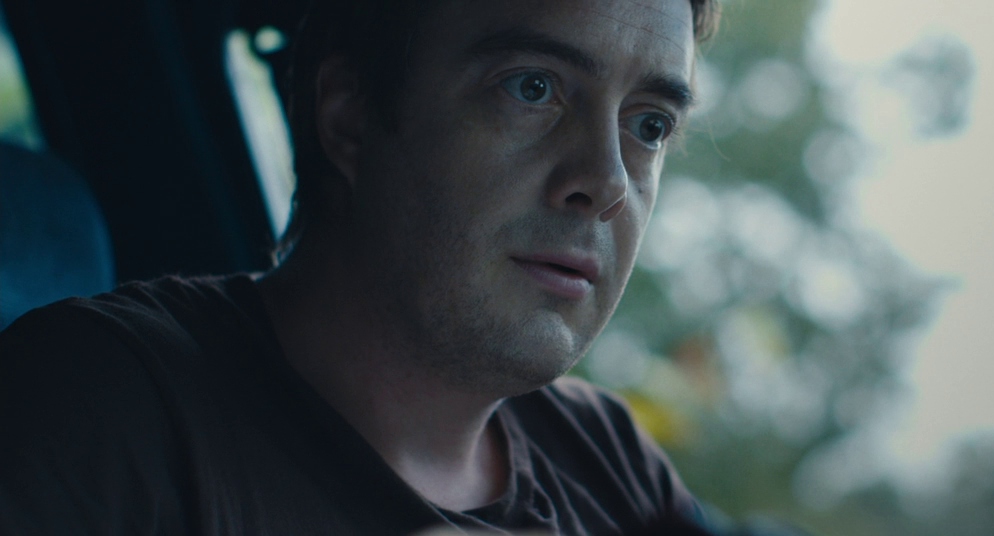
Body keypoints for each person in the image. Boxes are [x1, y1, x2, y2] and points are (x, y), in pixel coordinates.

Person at [0, 0, 721, 534]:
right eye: (531, 87)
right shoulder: (94, 407)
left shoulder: (608, 459)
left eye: (649, 125)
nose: (607, 182)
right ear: (349, 116)